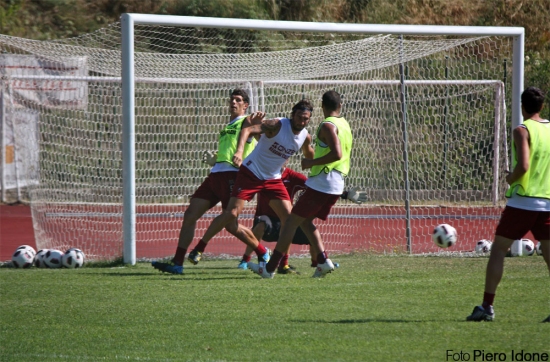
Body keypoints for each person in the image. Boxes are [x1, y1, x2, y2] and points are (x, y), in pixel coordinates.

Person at [184, 99, 316, 266]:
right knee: (231, 213)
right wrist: (240, 150)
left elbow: (308, 153)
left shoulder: (305, 136)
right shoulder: (277, 125)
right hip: (251, 172)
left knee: (289, 219)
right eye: (299, 117)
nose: (302, 121)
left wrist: (316, 165)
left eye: (306, 119)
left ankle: (282, 263)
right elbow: (248, 129)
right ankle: (199, 248)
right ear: (292, 114)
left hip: (272, 178)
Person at [151, 88, 266, 275]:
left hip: (233, 176)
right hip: (215, 175)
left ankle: (262, 252)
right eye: (232, 99)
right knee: (190, 214)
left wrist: (257, 133)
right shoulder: (229, 125)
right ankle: (178, 263)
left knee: (231, 225)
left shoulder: (248, 121)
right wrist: (218, 158)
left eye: (238, 100)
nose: (233, 102)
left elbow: (261, 138)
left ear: (245, 105)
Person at [466, 86, 550, 322]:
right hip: (548, 202)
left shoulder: (522, 130)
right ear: (542, 106)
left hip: (523, 202)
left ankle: (486, 307)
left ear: (522, 106)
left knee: (499, 250)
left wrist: (509, 178)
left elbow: (523, 166)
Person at [248, 90, 353, 278]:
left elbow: (337, 154)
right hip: (336, 182)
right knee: (304, 221)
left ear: (322, 106)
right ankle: (323, 261)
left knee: (289, 223)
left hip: (323, 181)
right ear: (341, 106)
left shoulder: (328, 125)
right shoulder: (344, 124)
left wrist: (310, 163)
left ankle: (270, 268)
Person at [236, 165, 366, 273]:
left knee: (311, 232)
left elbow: (317, 189)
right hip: (268, 220)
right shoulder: (263, 174)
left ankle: (318, 263)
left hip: (287, 221)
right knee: (260, 227)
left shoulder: (291, 176)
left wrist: (345, 194)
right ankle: (246, 260)